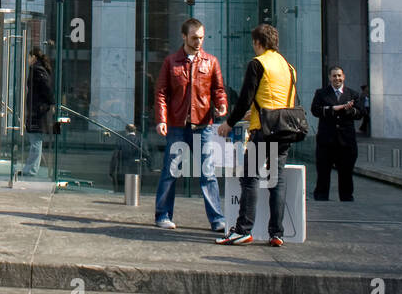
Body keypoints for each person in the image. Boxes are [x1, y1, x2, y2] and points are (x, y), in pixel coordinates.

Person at [217, 23, 298, 247]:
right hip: (285, 129)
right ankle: (277, 233)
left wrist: (229, 123)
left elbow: (245, 99)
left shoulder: (258, 64)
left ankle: (243, 230)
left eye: (254, 43)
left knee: (250, 177)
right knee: (277, 179)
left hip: (263, 130)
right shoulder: (289, 67)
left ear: (258, 43)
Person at [153, 18, 228, 232]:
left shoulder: (210, 61)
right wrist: (161, 119)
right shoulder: (171, 62)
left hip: (202, 125)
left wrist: (222, 105)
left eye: (201, 38)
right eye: (194, 37)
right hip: (177, 124)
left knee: (208, 172)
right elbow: (161, 93)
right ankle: (163, 215)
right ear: (184, 36)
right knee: (170, 170)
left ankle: (217, 219)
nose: (198, 42)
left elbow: (219, 89)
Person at [311, 66, 366, 201]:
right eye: (334, 76)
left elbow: (361, 113)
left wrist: (349, 110)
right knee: (323, 173)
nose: (337, 79)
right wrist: (332, 109)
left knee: (346, 174)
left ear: (344, 77)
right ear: (330, 78)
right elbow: (315, 110)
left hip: (346, 142)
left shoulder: (353, 94)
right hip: (326, 141)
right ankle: (321, 197)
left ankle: (346, 199)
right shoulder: (321, 93)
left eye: (339, 76)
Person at [22, 48, 55, 177]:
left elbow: (46, 88)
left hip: (37, 111)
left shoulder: (37, 70)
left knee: (35, 140)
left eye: (29, 57)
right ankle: (30, 168)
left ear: (34, 57)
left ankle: (31, 169)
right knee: (34, 140)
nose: (28, 60)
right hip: (36, 110)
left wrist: (51, 103)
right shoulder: (37, 70)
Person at [110, 124, 146, 191]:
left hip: (123, 169)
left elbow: (115, 156)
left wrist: (111, 170)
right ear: (135, 130)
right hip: (137, 169)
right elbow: (146, 154)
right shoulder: (140, 140)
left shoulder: (121, 140)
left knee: (122, 190)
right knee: (135, 190)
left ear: (126, 130)